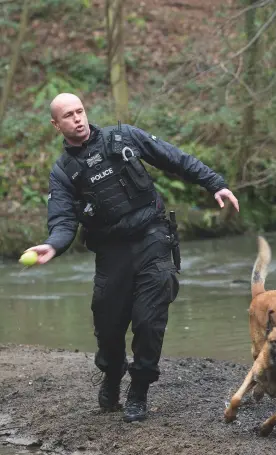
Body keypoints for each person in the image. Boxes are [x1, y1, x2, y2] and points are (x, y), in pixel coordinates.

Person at [26, 93, 239, 423]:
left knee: (148, 320)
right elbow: (63, 220)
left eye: (80, 111)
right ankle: (112, 374)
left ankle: (138, 391)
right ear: (57, 125)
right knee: (109, 328)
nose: (78, 119)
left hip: (153, 237)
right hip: (111, 252)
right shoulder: (63, 171)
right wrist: (53, 246)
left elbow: (174, 158)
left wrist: (214, 184)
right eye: (68, 116)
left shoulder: (123, 136)